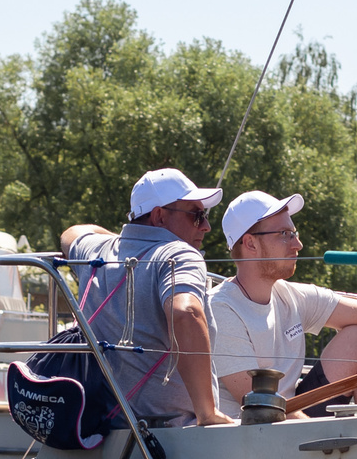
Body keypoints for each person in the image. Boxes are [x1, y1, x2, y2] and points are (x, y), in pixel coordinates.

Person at [60, 167, 236, 427]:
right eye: (197, 216)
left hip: (99, 425)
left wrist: (132, 240)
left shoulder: (97, 251)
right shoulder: (180, 254)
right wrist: (207, 413)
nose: (207, 227)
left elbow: (71, 234)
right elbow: (186, 313)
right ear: (159, 216)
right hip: (167, 436)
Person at [208, 190, 357, 416]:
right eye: (284, 234)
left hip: (294, 418)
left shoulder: (291, 295)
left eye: (294, 233)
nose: (298, 244)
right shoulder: (220, 309)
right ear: (250, 244)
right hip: (258, 433)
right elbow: (262, 405)